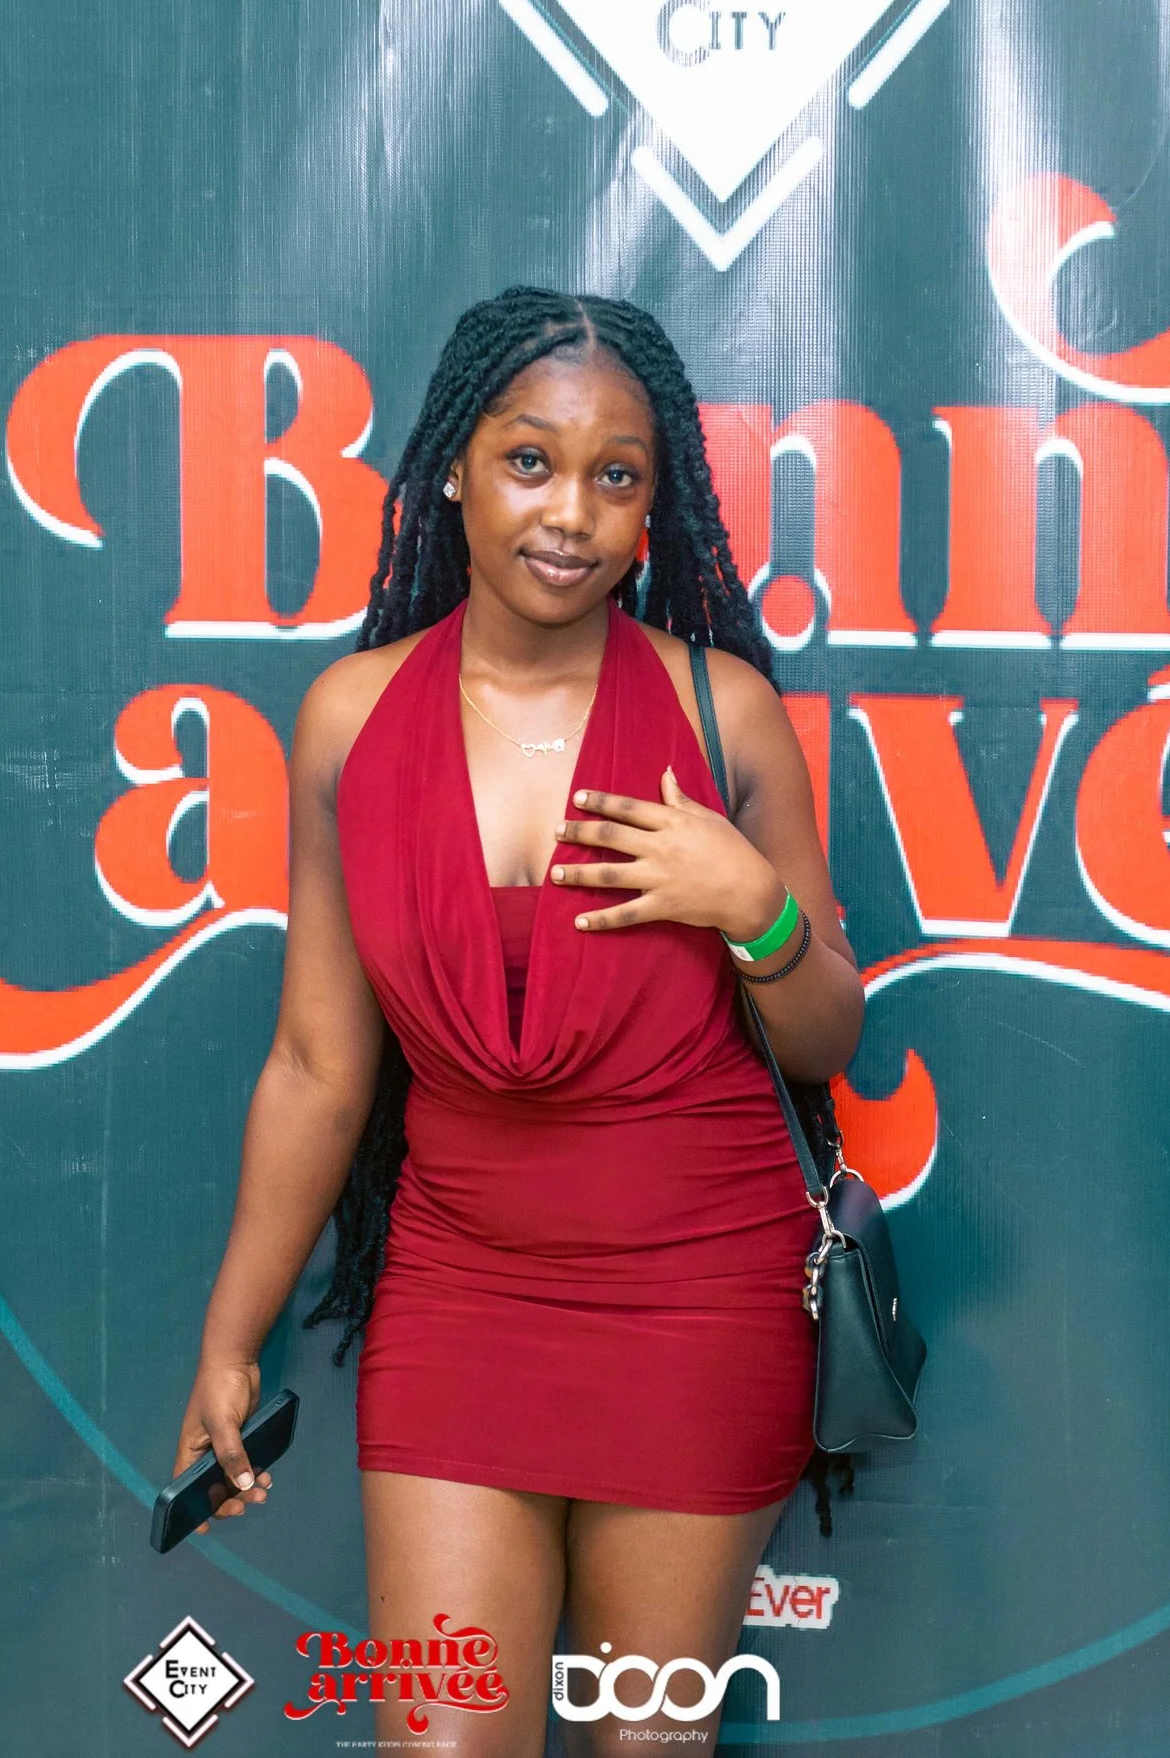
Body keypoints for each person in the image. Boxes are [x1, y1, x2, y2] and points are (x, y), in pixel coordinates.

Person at [172, 287, 864, 1754]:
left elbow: (824, 1042)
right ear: (451, 470)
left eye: (617, 474)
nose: (572, 512)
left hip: (700, 1301)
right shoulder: (351, 720)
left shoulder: (724, 709)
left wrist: (752, 905)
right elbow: (317, 1064)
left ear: (653, 505)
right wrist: (233, 1336)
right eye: (529, 461)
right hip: (462, 1299)